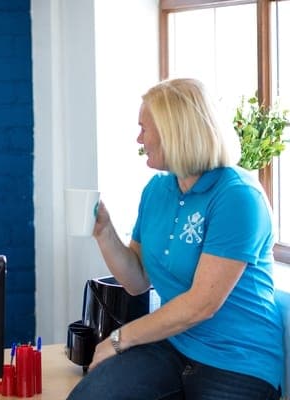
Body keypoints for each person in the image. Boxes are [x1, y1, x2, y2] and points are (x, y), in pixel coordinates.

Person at [67, 78, 283, 400]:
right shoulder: (157, 190)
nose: (139, 138)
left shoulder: (238, 196)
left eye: (144, 128)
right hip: (175, 346)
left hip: (238, 361)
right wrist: (104, 231)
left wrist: (119, 338)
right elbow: (138, 281)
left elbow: (201, 305)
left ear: (174, 131)